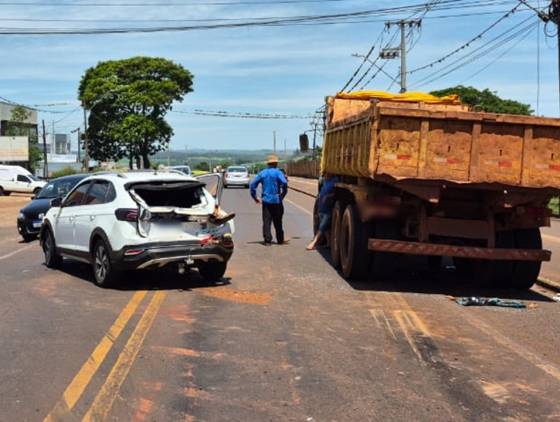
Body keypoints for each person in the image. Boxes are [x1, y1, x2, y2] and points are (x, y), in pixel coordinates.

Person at [250, 155, 288, 245]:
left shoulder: (263, 173)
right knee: (278, 220)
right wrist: (282, 195)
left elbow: (252, 185)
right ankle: (280, 240)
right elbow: (284, 183)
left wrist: (255, 197)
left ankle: (267, 240)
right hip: (276, 200)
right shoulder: (278, 173)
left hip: (266, 200)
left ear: (268, 164)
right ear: (276, 163)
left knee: (266, 221)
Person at [306, 173, 338, 250]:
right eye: (324, 174)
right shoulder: (324, 181)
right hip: (321, 208)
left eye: (326, 174)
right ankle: (328, 243)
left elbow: (336, 193)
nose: (324, 176)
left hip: (327, 209)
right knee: (325, 228)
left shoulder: (334, 181)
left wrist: (328, 196)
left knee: (322, 227)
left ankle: (314, 242)